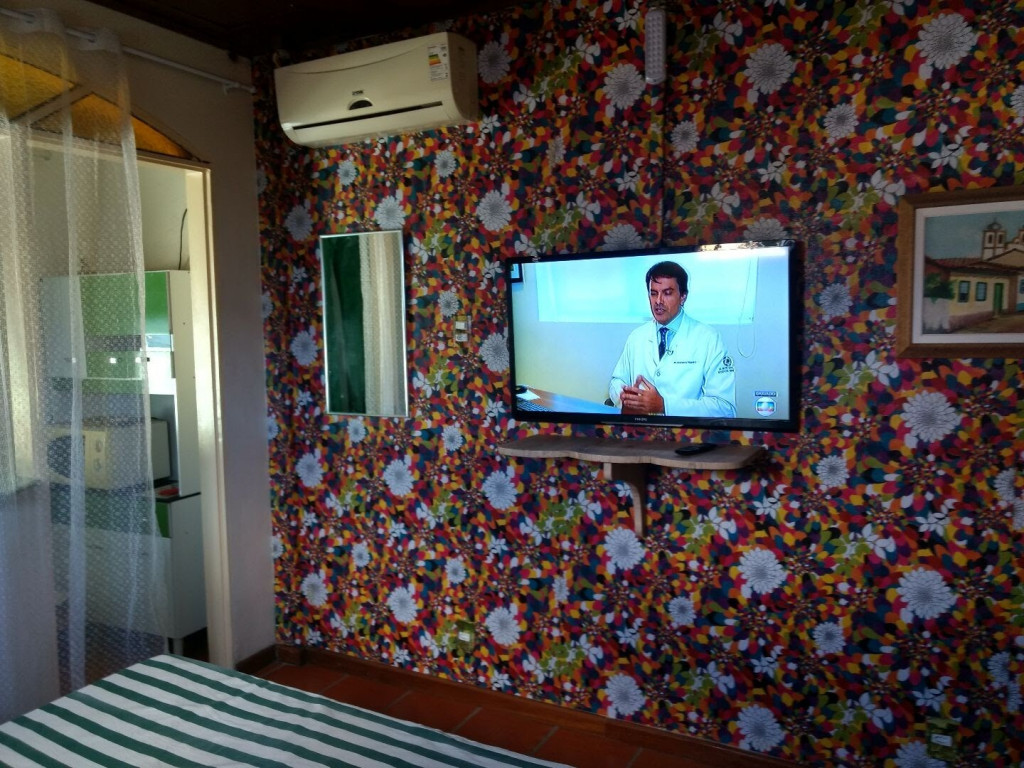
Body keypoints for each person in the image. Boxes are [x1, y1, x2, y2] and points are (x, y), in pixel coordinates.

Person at [609, 261, 736, 417]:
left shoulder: (709, 339)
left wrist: (664, 406)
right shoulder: (637, 337)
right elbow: (617, 381)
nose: (658, 301)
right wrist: (625, 399)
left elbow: (725, 409)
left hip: (685, 431)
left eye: (667, 293)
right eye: (653, 293)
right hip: (641, 429)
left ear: (683, 296)